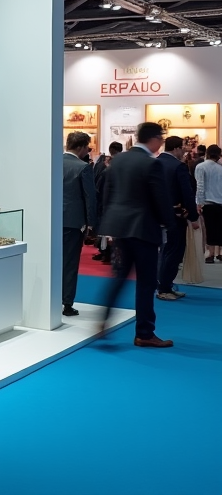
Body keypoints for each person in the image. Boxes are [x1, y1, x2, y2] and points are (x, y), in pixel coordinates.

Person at [99, 122, 174, 347]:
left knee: (120, 277)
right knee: (146, 282)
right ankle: (144, 333)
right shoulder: (152, 164)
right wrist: (171, 224)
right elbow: (160, 199)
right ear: (152, 139)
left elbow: (107, 193)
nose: (161, 142)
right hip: (144, 230)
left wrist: (108, 222)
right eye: (160, 138)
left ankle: (102, 320)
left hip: (120, 228)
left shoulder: (118, 159)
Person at [157, 136, 198, 300]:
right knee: (174, 251)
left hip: (156, 214)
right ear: (175, 148)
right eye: (183, 147)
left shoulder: (155, 163)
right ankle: (165, 287)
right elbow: (187, 193)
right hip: (176, 214)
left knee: (162, 251)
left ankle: (163, 284)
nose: (184, 151)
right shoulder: (178, 167)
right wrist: (193, 216)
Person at [62, 132, 97, 317]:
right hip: (73, 221)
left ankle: (50, 298)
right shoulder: (83, 167)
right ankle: (67, 302)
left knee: (53, 260)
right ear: (82, 147)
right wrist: (91, 224)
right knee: (70, 262)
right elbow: (90, 197)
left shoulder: (53, 161)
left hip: (53, 219)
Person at [92, 141, 122, 263]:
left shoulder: (104, 166)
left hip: (106, 203)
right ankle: (109, 254)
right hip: (116, 204)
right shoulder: (121, 165)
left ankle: (106, 253)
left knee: (105, 231)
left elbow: (98, 187)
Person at [195, 144, 222, 264]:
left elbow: (200, 186)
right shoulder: (220, 168)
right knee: (220, 228)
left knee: (209, 229)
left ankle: (209, 254)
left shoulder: (201, 167)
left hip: (208, 202)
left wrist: (198, 203)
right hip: (220, 202)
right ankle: (220, 253)